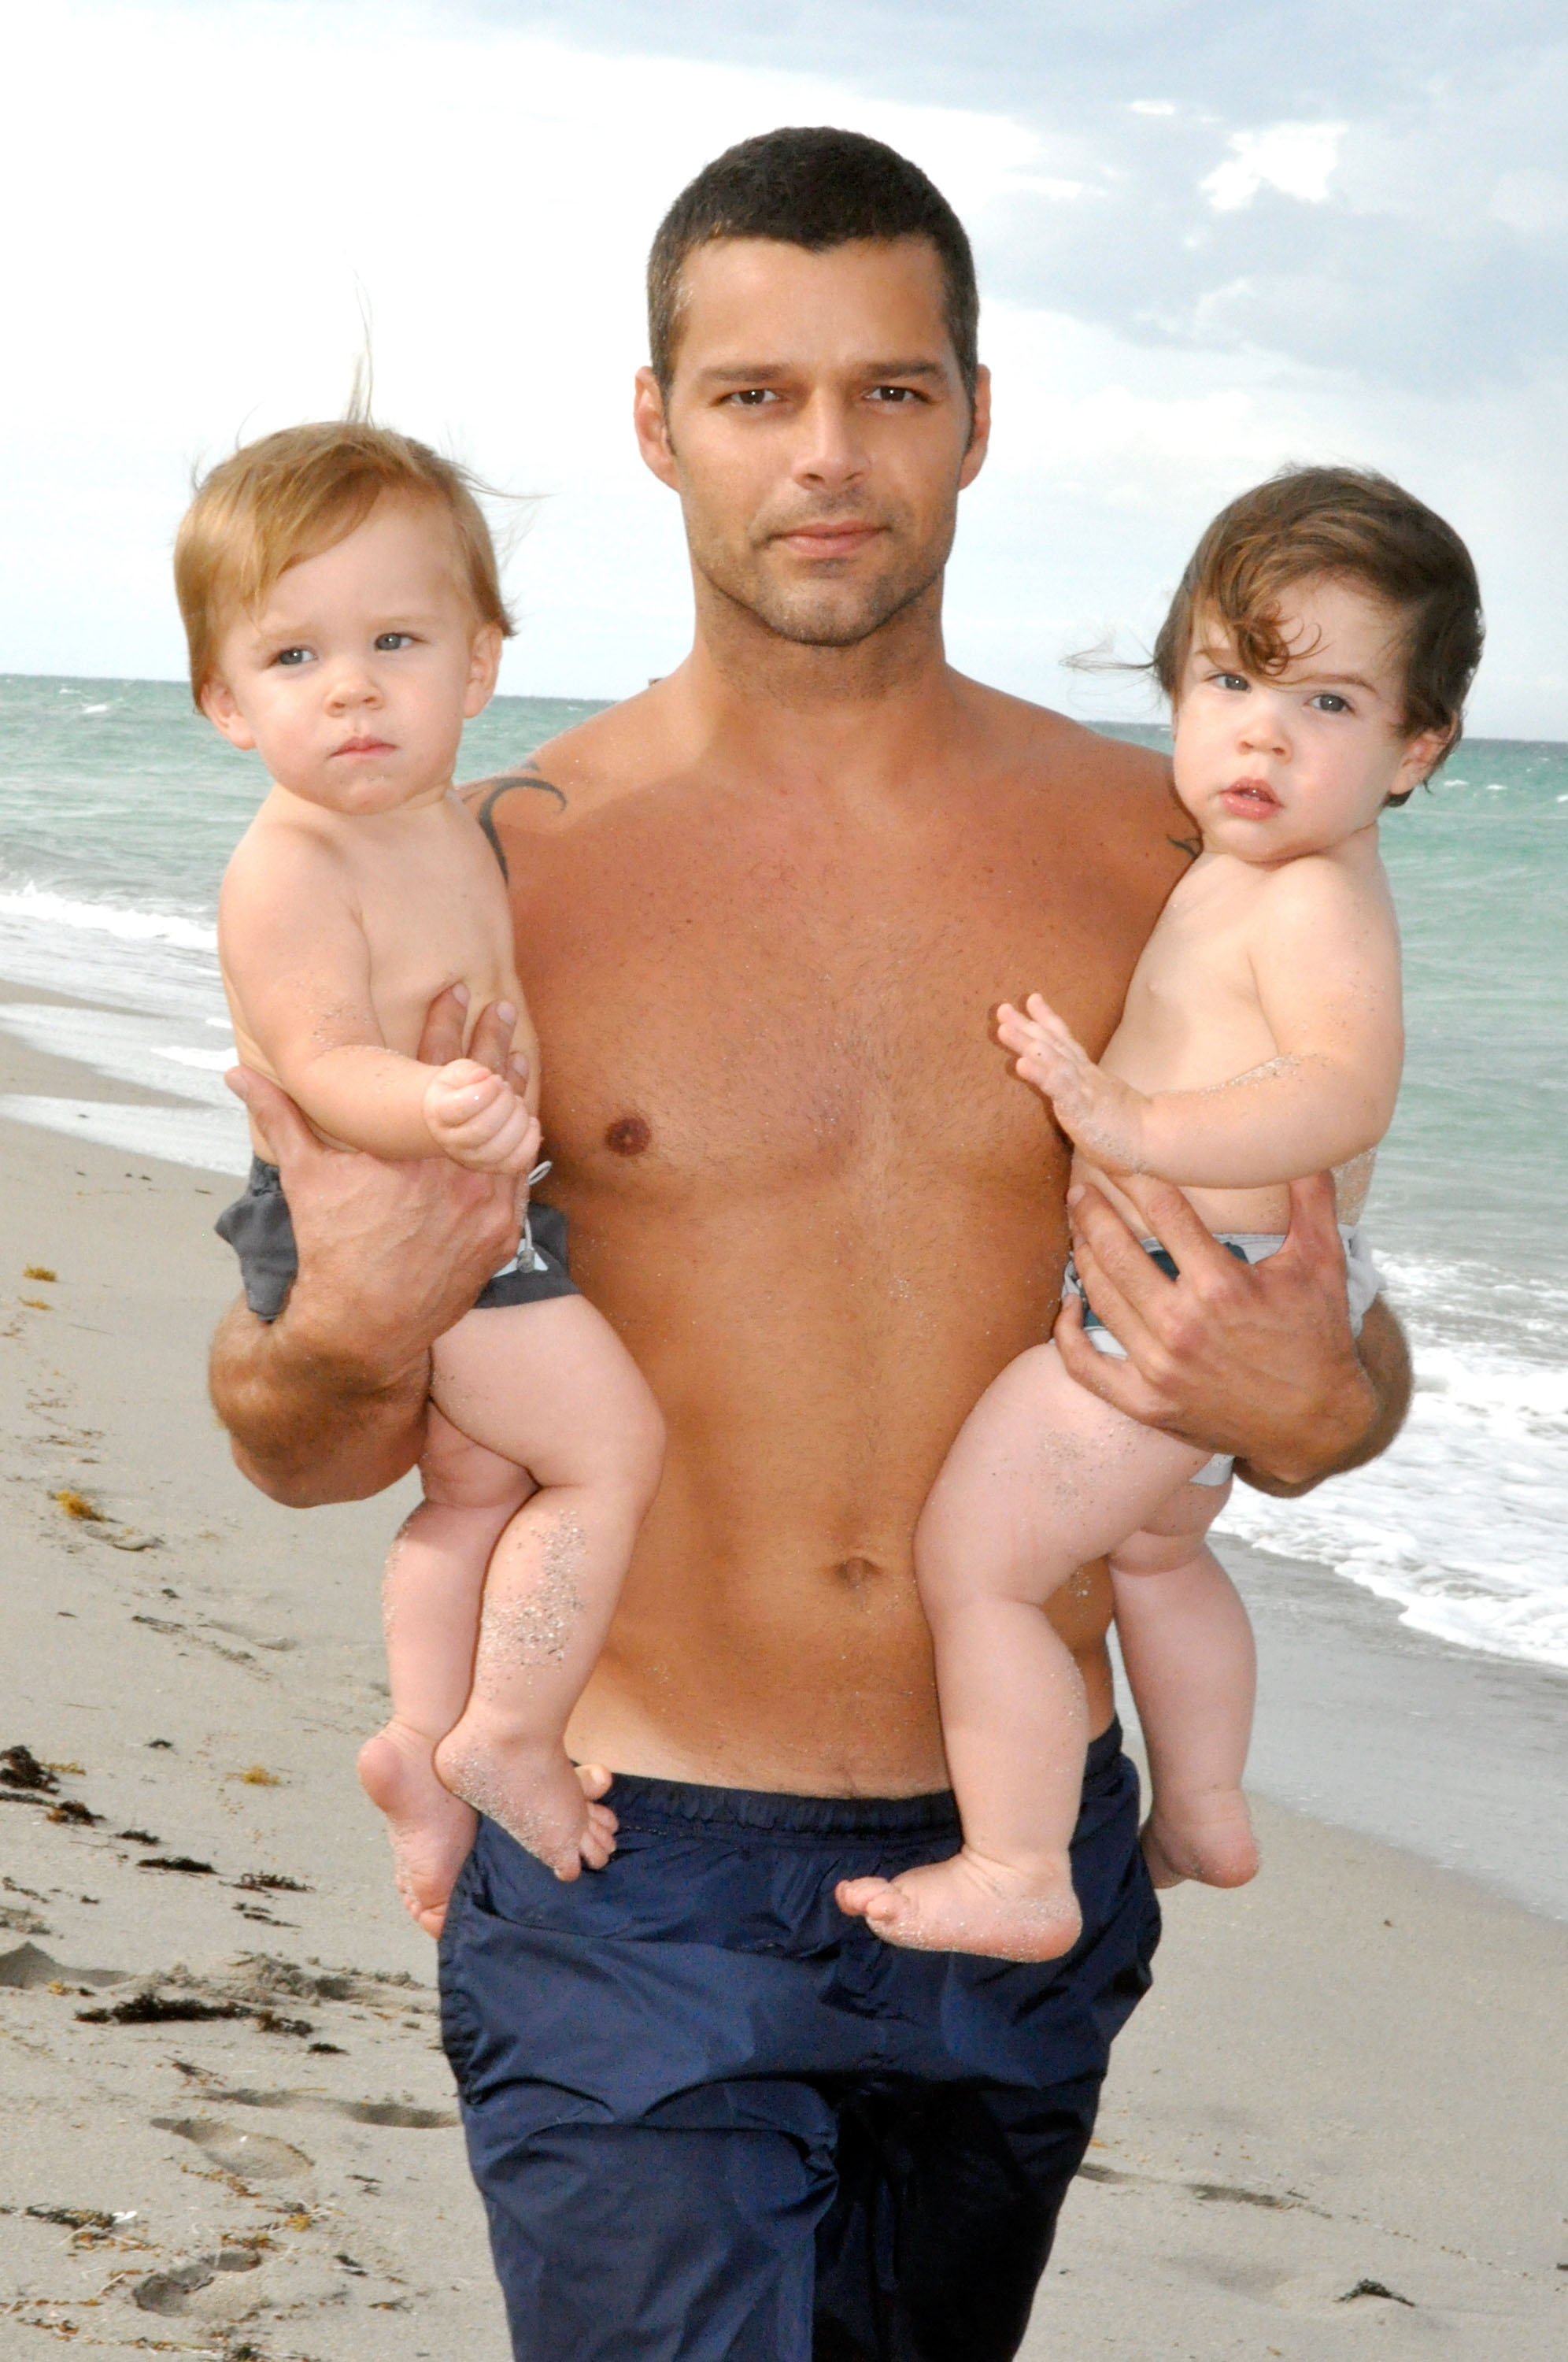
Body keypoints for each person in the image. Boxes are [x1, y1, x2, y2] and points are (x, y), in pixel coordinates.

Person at [208, 129, 1415, 2362]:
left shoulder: (1168, 853)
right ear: (656, 424)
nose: (829, 454)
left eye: (892, 389)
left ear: (979, 416)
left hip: (1021, 1867)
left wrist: (1320, 1398)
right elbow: (294, 1434)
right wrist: (351, 1325)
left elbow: (1334, 1326)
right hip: (628, 1864)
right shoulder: (492, 872)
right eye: (757, 394)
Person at [838, 468, 1482, 1963]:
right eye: (1230, 681)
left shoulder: (1312, 896)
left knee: (982, 1566)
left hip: (1197, 1290)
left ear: (1417, 747)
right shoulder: (1249, 868)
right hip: (1208, 1278)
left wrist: (1136, 1126)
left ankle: (1018, 1866)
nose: (1263, 733)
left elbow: (1343, 1091)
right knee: (1157, 1557)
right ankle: (1201, 1803)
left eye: (1328, 703)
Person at [179, 424, 664, 1934]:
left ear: (479, 665)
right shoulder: (293, 864)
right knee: (607, 1450)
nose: (352, 688)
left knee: (476, 1486)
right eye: (295, 656)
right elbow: (322, 1060)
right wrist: (438, 1102)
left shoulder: (444, 825)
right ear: (225, 703)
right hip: (383, 1203)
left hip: (463, 1186)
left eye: (395, 641)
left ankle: (418, 1741)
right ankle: (508, 1732)